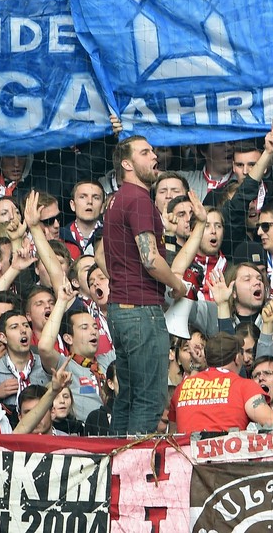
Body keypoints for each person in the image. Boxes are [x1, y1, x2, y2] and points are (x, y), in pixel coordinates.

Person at [103, 135, 190, 434]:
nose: (154, 156)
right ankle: (133, 473)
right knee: (150, 399)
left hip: (119, 310)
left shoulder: (115, 200)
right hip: (141, 311)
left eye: (153, 150)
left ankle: (115, 468)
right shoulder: (139, 199)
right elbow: (151, 259)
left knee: (126, 398)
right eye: (145, 152)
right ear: (127, 163)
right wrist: (177, 286)